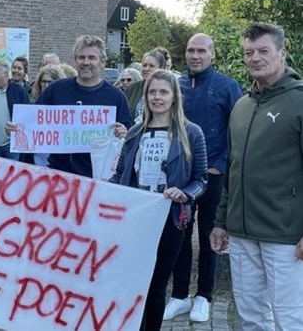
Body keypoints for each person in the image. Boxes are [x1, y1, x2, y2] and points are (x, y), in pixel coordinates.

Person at [210, 22, 303, 331]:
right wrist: (222, 221)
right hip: (240, 233)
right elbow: (233, 169)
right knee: (249, 318)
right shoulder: (241, 106)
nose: (255, 58)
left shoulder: (299, 102)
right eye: (249, 52)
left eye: (263, 51)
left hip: (284, 235)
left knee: (288, 319)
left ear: (282, 52)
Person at [110, 69, 208, 331]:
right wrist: (93, 192)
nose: (157, 97)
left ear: (174, 97)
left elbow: (202, 179)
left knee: (155, 285)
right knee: (133, 283)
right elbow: (120, 175)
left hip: (169, 219)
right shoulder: (134, 133)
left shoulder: (192, 132)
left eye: (163, 92)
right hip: (135, 219)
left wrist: (185, 193)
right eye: (152, 92)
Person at [163, 34, 242, 322]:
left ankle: (204, 296)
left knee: (210, 234)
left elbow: (238, 129)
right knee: (179, 234)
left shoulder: (227, 86)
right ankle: (180, 295)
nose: (195, 56)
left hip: (212, 176)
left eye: (201, 51)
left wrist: (220, 165)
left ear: (212, 53)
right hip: (181, 177)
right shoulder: (177, 85)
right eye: (190, 51)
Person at [33, 35, 132, 177]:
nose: (86, 62)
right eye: (81, 57)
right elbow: (34, 122)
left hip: (97, 177)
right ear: (75, 60)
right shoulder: (55, 90)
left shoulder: (116, 97)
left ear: (102, 62)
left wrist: (124, 133)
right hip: (58, 174)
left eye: (92, 58)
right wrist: (16, 128)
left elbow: (128, 135)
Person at [29, 64, 67, 166]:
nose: (46, 86)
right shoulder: (33, 103)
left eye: (50, 82)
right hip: (39, 152)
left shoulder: (67, 105)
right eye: (43, 82)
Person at [125, 49, 167, 124]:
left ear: (161, 68)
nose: (146, 69)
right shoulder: (131, 89)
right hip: (133, 133)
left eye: (151, 66)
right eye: (144, 65)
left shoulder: (168, 90)